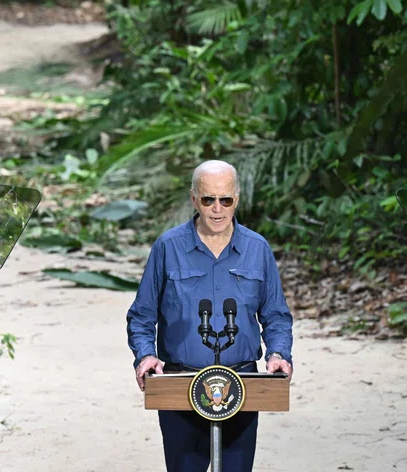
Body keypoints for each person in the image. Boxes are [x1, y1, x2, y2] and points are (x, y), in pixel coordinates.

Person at [126, 159, 294, 472]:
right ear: (194, 199)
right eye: (208, 200)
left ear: (237, 200)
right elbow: (141, 316)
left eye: (225, 200)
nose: (217, 209)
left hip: (241, 384)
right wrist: (145, 356)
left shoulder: (258, 249)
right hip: (180, 384)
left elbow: (276, 316)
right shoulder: (167, 247)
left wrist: (279, 353)